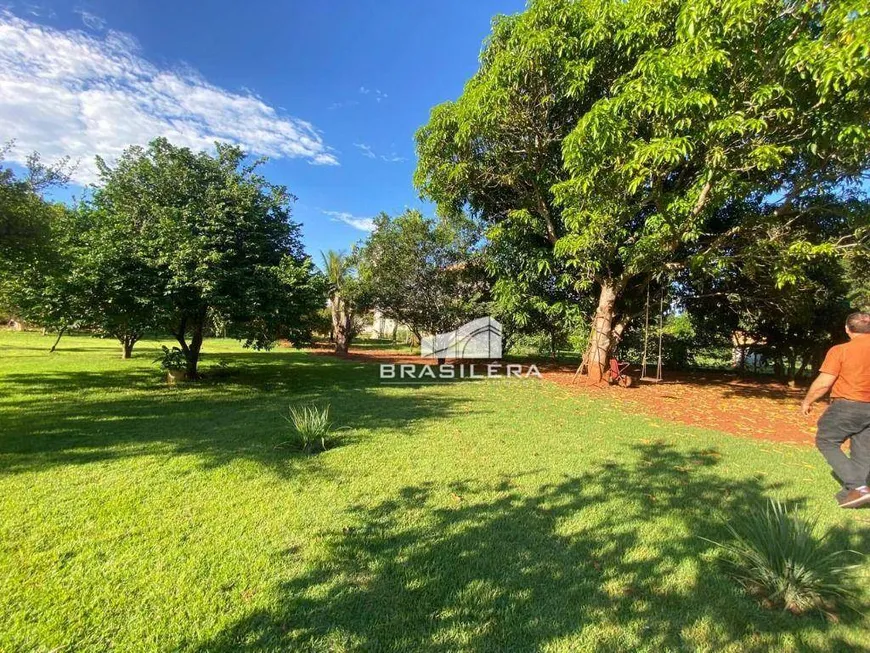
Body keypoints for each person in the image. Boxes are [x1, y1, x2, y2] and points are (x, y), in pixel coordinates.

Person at [802, 312, 870, 508]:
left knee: (826, 440)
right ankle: (855, 492)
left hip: (848, 405)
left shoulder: (841, 350)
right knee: (863, 449)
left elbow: (824, 383)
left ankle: (858, 487)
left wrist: (808, 400)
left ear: (847, 329)